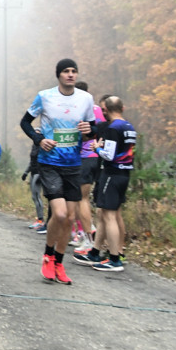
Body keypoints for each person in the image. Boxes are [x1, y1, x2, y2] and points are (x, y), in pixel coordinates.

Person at [20, 58, 96, 285]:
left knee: (70, 218)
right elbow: (25, 122)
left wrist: (89, 130)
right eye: (66, 71)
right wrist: (39, 139)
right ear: (59, 75)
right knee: (60, 214)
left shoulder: (86, 99)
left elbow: (93, 130)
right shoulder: (45, 96)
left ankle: (59, 263)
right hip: (49, 162)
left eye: (74, 71)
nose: (70, 75)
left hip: (73, 164)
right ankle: (47, 255)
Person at [75, 95, 135, 272]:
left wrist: (96, 148)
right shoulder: (129, 127)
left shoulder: (113, 128)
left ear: (106, 110)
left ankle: (115, 258)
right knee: (104, 213)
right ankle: (95, 252)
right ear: (122, 108)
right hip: (125, 173)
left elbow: (108, 154)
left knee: (109, 216)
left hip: (112, 173)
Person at [71, 80, 102, 249]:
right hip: (98, 157)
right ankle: (90, 233)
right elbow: (104, 129)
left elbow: (78, 135)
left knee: (80, 199)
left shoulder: (80, 110)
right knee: (89, 199)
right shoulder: (98, 109)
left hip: (83, 156)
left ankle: (87, 237)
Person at [22, 141, 46, 232]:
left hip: (38, 173)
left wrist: (41, 174)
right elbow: (31, 161)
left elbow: (45, 160)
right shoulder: (34, 146)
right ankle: (39, 219)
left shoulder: (42, 146)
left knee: (37, 195)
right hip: (33, 172)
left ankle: (41, 220)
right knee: (34, 197)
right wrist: (25, 172)